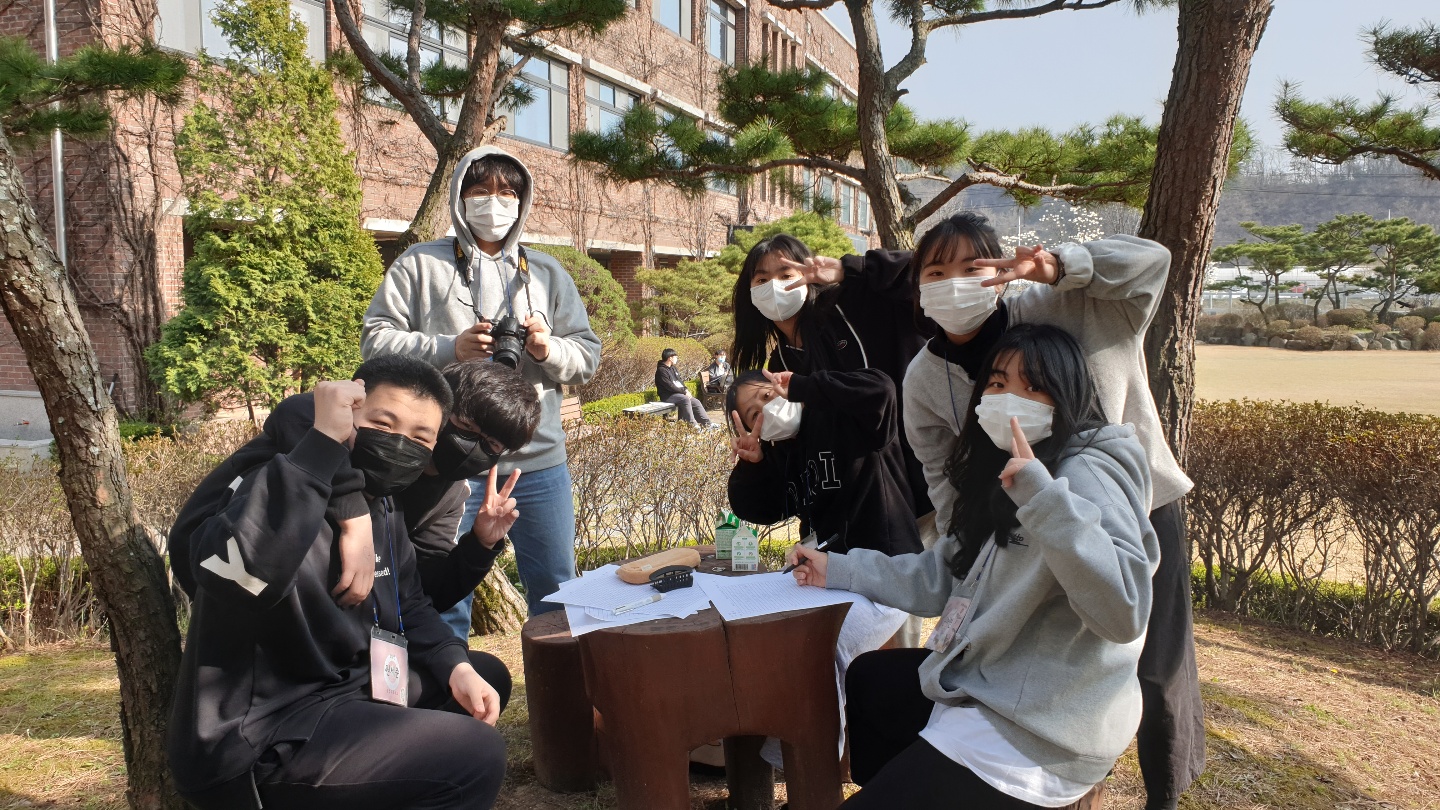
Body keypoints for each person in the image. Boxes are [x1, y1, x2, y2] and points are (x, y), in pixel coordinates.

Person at [900, 212, 1204, 809]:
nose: (955, 284)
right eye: (936, 272)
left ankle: (1164, 793)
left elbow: (1153, 264)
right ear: (917, 286)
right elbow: (942, 475)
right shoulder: (924, 379)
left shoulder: (1062, 304)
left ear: (1001, 271)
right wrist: (963, 552)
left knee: (1154, 664)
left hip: (1132, 510)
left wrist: (1065, 265)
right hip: (1025, 527)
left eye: (973, 267)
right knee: (1053, 667)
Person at [789, 324, 1159, 809]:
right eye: (998, 383)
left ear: (1068, 395)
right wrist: (836, 569)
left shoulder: (1089, 469)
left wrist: (1045, 499)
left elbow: (1124, 611)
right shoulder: (1003, 473)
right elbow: (941, 575)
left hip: (1042, 727)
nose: (1010, 399)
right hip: (991, 680)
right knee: (871, 681)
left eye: (1034, 386)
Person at [168, 356, 512, 810]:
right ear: (348, 414)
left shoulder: (385, 502)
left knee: (480, 676)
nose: (399, 444)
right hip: (260, 736)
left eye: (419, 438)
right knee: (475, 754)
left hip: (346, 689)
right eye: (383, 424)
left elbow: (409, 601)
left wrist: (455, 666)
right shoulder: (279, 482)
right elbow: (235, 580)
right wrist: (321, 446)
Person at [362, 145, 601, 620]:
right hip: (448, 464)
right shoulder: (419, 264)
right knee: (442, 602)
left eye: (507, 193)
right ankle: (446, 671)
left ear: (522, 202)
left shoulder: (547, 273)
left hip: (537, 463)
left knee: (557, 593)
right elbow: (375, 342)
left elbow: (587, 358)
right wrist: (450, 348)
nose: (494, 201)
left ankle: (558, 672)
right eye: (480, 190)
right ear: (460, 197)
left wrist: (547, 350)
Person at [168, 360, 542, 630]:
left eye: (491, 445)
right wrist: (355, 514)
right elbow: (299, 411)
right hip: (222, 557)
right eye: (464, 427)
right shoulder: (359, 433)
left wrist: (480, 546)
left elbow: (419, 591)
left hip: (325, 608)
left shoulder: (450, 495)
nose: (470, 447)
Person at [726, 366, 921, 768]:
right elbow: (760, 508)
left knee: (818, 646)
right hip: (825, 577)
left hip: (888, 576)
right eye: (753, 413)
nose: (767, 410)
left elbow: (882, 389)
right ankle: (769, 748)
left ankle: (811, 766)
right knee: (760, 631)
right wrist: (752, 464)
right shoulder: (783, 455)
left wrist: (806, 386)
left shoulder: (845, 419)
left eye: (767, 395)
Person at [729, 234, 934, 535]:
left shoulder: (852, 303)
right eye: (761, 280)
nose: (774, 286)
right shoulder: (778, 369)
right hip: (862, 516)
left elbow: (929, 272)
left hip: (927, 480)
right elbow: (796, 461)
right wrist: (754, 464)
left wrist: (848, 269)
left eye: (785, 274)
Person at [655, 347, 718, 428]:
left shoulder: (673, 368)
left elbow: (679, 381)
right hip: (667, 396)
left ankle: (707, 424)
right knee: (685, 399)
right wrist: (683, 392)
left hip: (678, 394)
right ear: (670, 358)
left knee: (695, 401)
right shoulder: (661, 371)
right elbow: (670, 386)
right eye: (676, 357)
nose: (677, 359)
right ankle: (692, 425)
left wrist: (685, 389)